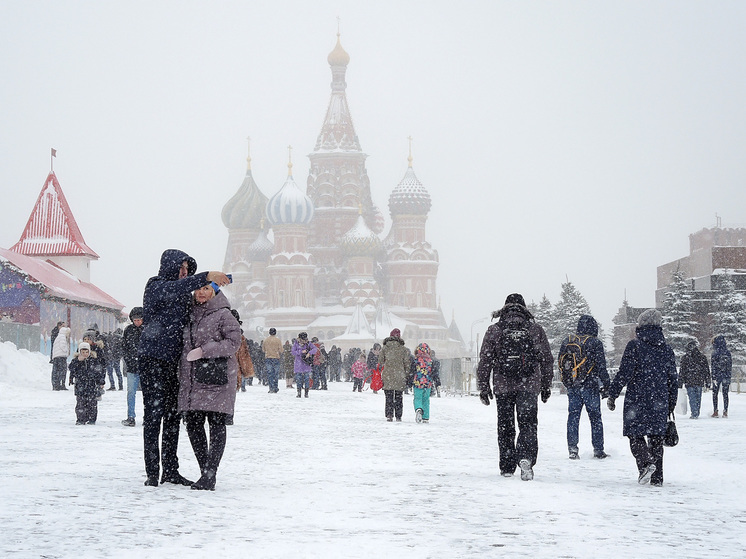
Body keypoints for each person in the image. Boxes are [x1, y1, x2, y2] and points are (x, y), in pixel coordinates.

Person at [138, 248, 230, 487]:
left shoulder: (183, 295)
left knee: (172, 416)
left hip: (174, 362)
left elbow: (203, 306)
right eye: (181, 268)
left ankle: (170, 470)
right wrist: (206, 275)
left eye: (188, 270)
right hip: (152, 360)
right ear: (170, 266)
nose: (184, 273)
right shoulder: (156, 286)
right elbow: (174, 288)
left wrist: (216, 296)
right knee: (153, 416)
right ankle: (152, 472)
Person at [477, 293, 553, 481]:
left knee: (505, 426)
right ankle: (526, 458)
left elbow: (485, 360)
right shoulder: (535, 329)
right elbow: (546, 360)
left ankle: (507, 465)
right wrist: (545, 385)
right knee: (528, 424)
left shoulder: (495, 330)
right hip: (529, 385)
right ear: (524, 308)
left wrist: (484, 386)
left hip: (503, 386)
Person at [179, 283, 241, 490]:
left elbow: (234, 342)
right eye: (197, 289)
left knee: (216, 424)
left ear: (214, 292)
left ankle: (210, 473)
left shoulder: (224, 314)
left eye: (206, 289)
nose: (201, 292)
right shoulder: (189, 314)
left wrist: (205, 350)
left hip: (217, 377)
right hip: (193, 378)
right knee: (194, 425)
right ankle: (205, 472)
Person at [607, 309, 678, 487]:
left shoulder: (635, 346)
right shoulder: (667, 349)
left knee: (635, 434)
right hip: (659, 400)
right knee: (656, 439)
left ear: (641, 325)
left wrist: (613, 394)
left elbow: (624, 373)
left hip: (636, 399)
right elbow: (672, 378)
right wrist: (671, 403)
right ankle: (657, 478)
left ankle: (646, 464)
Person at [558, 314, 611, 459]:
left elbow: (561, 363)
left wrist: (568, 380)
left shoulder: (567, 341)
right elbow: (601, 367)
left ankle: (572, 449)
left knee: (573, 417)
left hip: (573, 386)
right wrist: (607, 385)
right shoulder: (595, 343)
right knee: (595, 418)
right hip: (590, 385)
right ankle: (598, 449)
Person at [68, 341, 106, 425]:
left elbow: (98, 372)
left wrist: (101, 382)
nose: (85, 354)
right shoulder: (76, 361)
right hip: (80, 385)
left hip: (91, 386)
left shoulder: (93, 361)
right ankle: (81, 419)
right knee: (81, 403)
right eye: (83, 352)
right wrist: (77, 361)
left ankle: (92, 419)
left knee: (92, 403)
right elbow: (71, 369)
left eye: (86, 352)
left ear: (89, 352)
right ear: (79, 352)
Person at [378, 328, 409, 422]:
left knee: (389, 396)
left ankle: (389, 414)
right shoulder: (403, 349)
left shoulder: (385, 348)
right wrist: (406, 374)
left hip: (388, 375)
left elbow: (380, 361)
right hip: (400, 375)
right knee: (399, 397)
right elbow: (407, 363)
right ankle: (398, 416)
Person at [121, 307, 144, 426]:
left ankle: (148, 417)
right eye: (135, 320)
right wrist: (128, 360)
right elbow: (124, 347)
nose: (137, 322)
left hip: (146, 367)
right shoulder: (128, 330)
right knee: (131, 393)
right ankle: (131, 416)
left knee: (147, 393)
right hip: (132, 367)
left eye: (139, 320)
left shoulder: (148, 330)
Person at [678, 339, 710, 419]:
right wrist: (707, 381)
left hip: (689, 381)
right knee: (698, 398)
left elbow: (682, 371)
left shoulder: (685, 358)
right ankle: (696, 412)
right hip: (699, 380)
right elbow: (706, 370)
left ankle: (694, 413)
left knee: (692, 398)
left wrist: (680, 383)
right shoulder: (702, 357)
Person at [231, 309, 254, 395]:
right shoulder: (240, 337)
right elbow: (243, 355)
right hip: (234, 368)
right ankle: (242, 386)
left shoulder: (219, 331)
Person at [411, 342, 435, 423]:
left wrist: (410, 381)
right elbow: (434, 373)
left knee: (417, 398)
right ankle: (426, 417)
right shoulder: (431, 361)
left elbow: (412, 371)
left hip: (418, 382)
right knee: (426, 400)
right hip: (427, 383)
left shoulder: (416, 360)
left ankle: (418, 409)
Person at [711, 335, 733, 418]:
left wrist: (713, 376)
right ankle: (725, 411)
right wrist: (729, 375)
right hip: (726, 375)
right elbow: (730, 365)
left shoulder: (715, 352)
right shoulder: (727, 352)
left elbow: (713, 366)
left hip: (717, 376)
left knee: (715, 394)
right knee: (725, 394)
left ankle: (715, 410)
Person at [292, 332, 317, 398]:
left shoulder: (308, 343)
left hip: (306, 364)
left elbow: (315, 349)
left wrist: (309, 353)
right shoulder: (296, 343)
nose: (303, 341)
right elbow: (293, 352)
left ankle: (306, 393)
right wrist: (300, 352)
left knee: (306, 379)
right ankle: (299, 392)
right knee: (299, 379)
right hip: (298, 364)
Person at [51, 322, 71, 390]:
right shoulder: (62, 337)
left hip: (56, 356)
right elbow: (63, 346)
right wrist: (66, 351)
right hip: (61, 356)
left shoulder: (58, 336)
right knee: (61, 370)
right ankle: (59, 384)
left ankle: (56, 384)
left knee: (56, 370)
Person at [262, 328, 282, 394]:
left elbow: (263, 350)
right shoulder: (278, 340)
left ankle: (271, 388)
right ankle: (275, 387)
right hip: (276, 357)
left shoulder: (265, 340)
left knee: (270, 373)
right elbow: (281, 350)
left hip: (268, 357)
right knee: (276, 374)